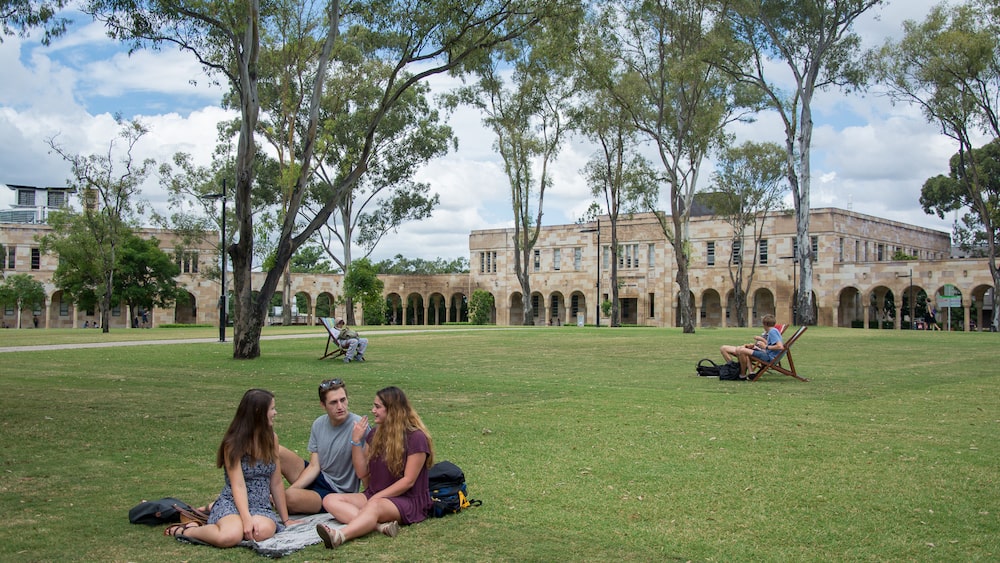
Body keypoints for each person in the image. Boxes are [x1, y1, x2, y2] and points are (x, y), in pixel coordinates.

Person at [164, 389, 295, 546]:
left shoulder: (271, 438)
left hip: (260, 505)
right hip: (233, 502)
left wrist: (286, 520)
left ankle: (226, 524)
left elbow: (276, 482)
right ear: (258, 412)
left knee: (260, 532)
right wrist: (246, 518)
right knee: (229, 537)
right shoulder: (233, 443)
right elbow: (238, 485)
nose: (275, 412)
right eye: (272, 408)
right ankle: (188, 530)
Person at [316, 386, 434, 549]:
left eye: (377, 407)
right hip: (376, 495)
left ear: (393, 410)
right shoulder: (375, 434)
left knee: (374, 506)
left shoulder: (416, 437)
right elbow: (362, 472)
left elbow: (408, 481)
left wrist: (376, 499)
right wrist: (356, 441)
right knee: (330, 499)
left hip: (407, 500)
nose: (373, 410)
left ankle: (341, 535)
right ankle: (378, 526)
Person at [278, 378, 362, 514]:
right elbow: (314, 466)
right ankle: (260, 494)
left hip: (336, 493)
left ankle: (284, 499)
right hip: (319, 476)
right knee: (276, 451)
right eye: (333, 402)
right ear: (323, 405)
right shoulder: (319, 424)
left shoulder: (358, 426)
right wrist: (294, 487)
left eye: (343, 400)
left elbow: (366, 469)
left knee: (288, 499)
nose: (340, 406)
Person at [720, 314, 785, 380]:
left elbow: (780, 346)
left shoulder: (772, 332)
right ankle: (744, 373)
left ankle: (742, 374)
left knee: (742, 350)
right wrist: (757, 346)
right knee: (742, 349)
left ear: (764, 323)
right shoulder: (773, 331)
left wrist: (765, 346)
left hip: (769, 357)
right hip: (767, 354)